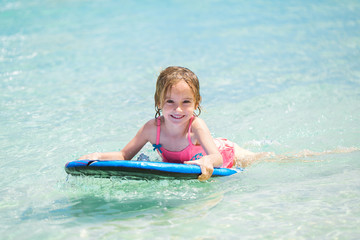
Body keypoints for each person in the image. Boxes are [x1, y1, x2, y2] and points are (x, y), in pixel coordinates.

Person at [79, 66, 268, 181]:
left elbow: (217, 157)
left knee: (263, 159)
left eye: (186, 102)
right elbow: (123, 155)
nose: (178, 109)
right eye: (170, 102)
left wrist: (207, 161)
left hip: (227, 153)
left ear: (197, 102)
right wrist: (98, 156)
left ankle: (292, 156)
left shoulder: (196, 126)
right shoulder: (151, 129)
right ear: (158, 102)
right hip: (201, 157)